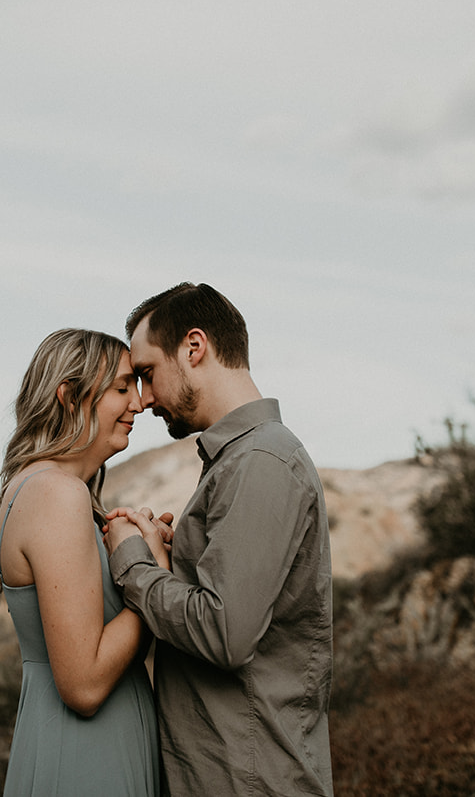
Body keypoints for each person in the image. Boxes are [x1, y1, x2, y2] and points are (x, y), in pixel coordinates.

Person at [103, 283, 333, 796]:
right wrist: (172, 555)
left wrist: (134, 565)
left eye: (146, 374)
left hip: (248, 780)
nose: (143, 400)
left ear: (194, 347)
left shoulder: (260, 463)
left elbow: (224, 632)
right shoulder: (241, 462)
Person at [0, 328, 172, 797]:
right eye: (122, 388)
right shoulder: (55, 494)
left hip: (87, 741)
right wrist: (156, 578)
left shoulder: (48, 491)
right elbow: (84, 685)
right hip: (88, 754)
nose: (140, 403)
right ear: (69, 395)